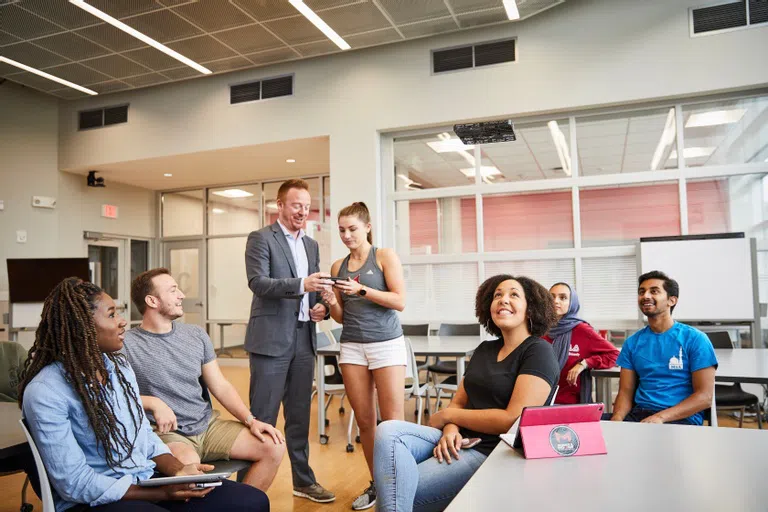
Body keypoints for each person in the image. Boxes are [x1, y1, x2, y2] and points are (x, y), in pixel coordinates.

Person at [18, 277, 269, 512]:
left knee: (252, 501)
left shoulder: (117, 367)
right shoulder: (45, 391)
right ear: (82, 325)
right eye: (112, 314)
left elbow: (144, 436)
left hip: (145, 477)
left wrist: (179, 471)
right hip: (98, 497)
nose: (123, 321)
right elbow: (75, 482)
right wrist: (160, 494)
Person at [373, 275, 560, 512]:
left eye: (514, 294)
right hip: (458, 440)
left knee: (394, 492)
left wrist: (447, 418)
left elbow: (511, 419)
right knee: (388, 430)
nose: (503, 300)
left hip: (491, 451)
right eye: (497, 295)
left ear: (531, 309)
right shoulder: (484, 349)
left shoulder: (538, 351)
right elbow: (458, 403)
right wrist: (450, 430)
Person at [123, 268, 285, 491]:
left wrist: (251, 420)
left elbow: (220, 385)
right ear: (152, 300)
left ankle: (242, 506)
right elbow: (114, 396)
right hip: (168, 434)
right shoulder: (126, 345)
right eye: (173, 290)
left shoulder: (196, 335)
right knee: (190, 473)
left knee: (273, 446)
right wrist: (151, 402)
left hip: (208, 426)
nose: (181, 295)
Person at [244, 178, 335, 503]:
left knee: (298, 417)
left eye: (306, 206)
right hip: (270, 341)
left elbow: (314, 289)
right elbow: (258, 282)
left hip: (303, 340)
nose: (302, 211)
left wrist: (321, 306)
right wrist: (302, 285)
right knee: (262, 418)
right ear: (279, 205)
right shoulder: (260, 238)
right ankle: (246, 491)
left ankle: (303, 481)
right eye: (296, 205)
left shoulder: (310, 245)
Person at [321, 202, 406, 511]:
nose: (346, 235)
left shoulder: (384, 257)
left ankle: (401, 485)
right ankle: (378, 485)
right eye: (342, 230)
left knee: (393, 423)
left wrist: (362, 291)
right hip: (352, 347)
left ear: (367, 227)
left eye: (352, 229)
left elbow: (399, 301)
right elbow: (341, 318)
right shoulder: (337, 267)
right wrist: (332, 300)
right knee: (367, 423)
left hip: (386, 344)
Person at [610, 271, 718, 425]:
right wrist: (617, 420)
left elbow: (704, 397)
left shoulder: (695, 339)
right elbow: (625, 392)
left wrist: (660, 417)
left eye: (654, 291)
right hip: (641, 415)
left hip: (680, 418)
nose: (645, 296)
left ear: (671, 300)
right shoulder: (632, 342)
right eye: (642, 292)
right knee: (588, 430)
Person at [544, 283, 619, 404]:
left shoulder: (582, 330)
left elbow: (615, 355)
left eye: (563, 297)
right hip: (539, 401)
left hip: (570, 403)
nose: (556, 301)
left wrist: (584, 363)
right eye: (551, 297)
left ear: (572, 303)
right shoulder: (539, 330)